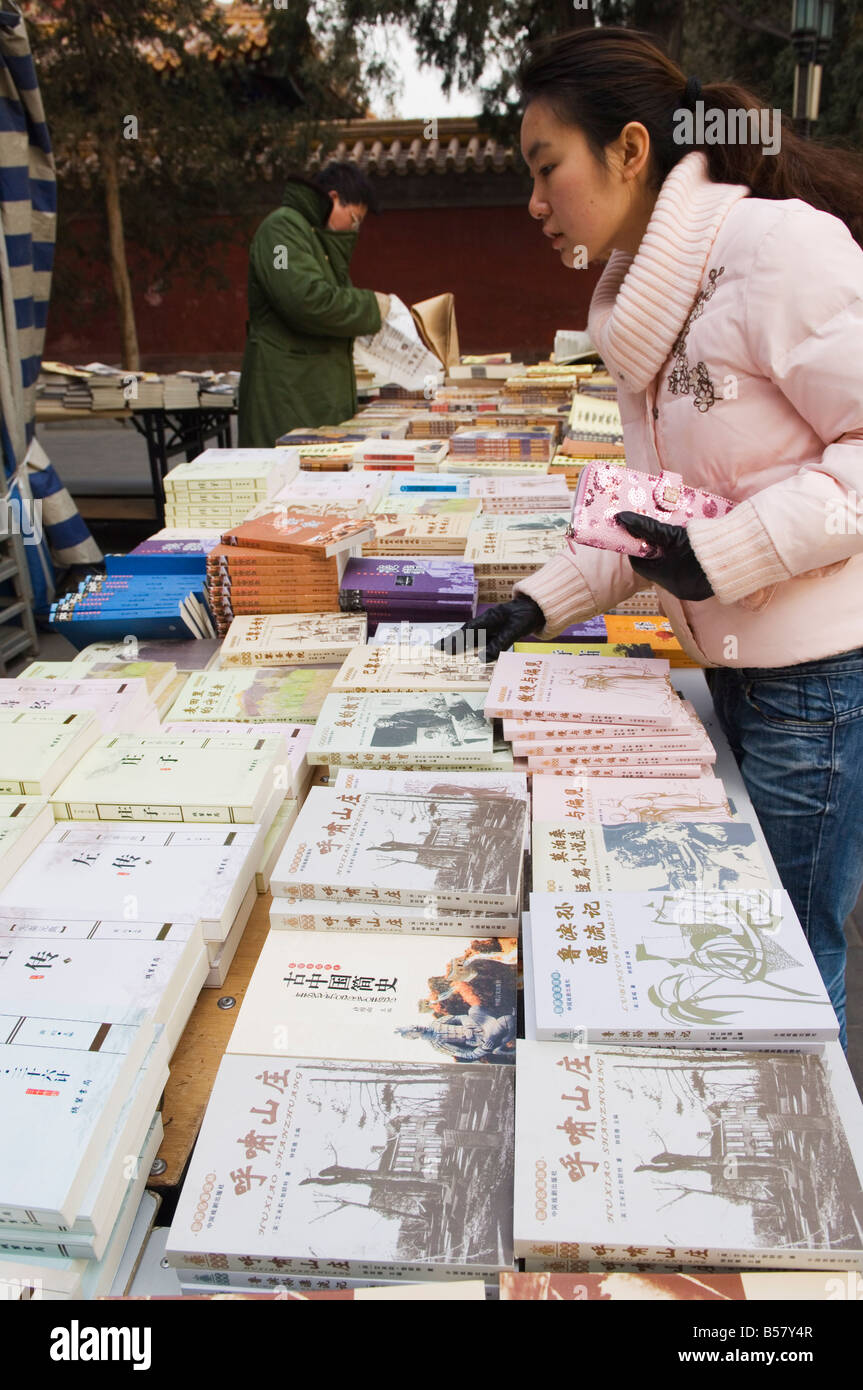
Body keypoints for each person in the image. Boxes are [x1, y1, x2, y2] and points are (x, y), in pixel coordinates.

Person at [445, 26, 863, 1048]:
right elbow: (656, 507)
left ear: (629, 150)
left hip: (816, 685)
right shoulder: (642, 298)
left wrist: (723, 555)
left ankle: (807, 1181)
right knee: (731, 939)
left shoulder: (775, 249)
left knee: (786, 960)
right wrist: (539, 600)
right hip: (730, 665)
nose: (533, 204)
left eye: (546, 170)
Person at [238, 162, 392, 447]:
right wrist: (371, 306)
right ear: (333, 198)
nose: (355, 230)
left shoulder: (316, 239)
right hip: (286, 396)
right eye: (354, 219)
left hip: (312, 393)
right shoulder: (280, 232)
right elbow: (303, 299)